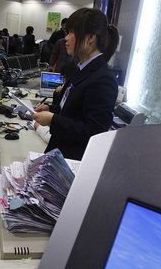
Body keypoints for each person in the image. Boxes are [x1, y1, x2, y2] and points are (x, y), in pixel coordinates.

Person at [33, 8, 119, 160]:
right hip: (58, 152)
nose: (66, 38)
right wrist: (50, 108)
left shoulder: (103, 78)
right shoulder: (80, 68)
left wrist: (53, 119)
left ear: (91, 38)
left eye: (71, 32)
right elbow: (71, 110)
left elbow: (93, 131)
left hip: (72, 160)